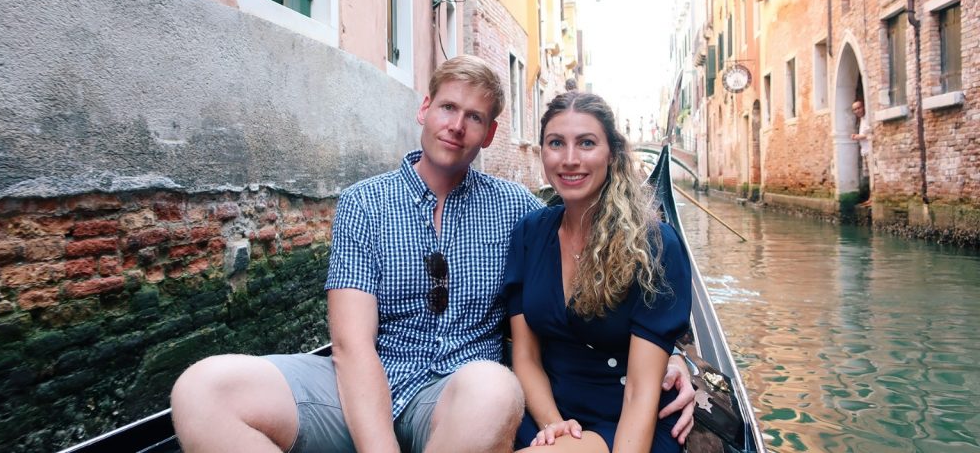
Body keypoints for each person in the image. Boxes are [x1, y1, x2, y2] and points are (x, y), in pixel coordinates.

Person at [170, 56, 694, 453]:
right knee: (201, 390)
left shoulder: (517, 212)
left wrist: (672, 357)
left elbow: (601, 297)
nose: (456, 125)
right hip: (360, 384)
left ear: (490, 134)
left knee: (493, 387)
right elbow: (351, 346)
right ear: (425, 109)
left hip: (460, 401)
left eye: (474, 117)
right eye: (447, 107)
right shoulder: (364, 203)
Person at [503, 91, 692, 453]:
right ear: (542, 151)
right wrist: (554, 427)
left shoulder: (654, 244)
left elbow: (640, 392)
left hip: (627, 420)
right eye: (556, 143)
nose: (570, 159)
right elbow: (524, 356)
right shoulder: (529, 233)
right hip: (548, 414)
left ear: (612, 154)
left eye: (586, 143)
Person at [850, 100, 871, 206]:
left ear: (863, 107)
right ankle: (871, 198)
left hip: (869, 151)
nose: (857, 111)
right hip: (865, 151)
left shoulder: (868, 118)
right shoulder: (862, 120)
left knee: (872, 175)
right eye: (855, 109)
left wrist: (857, 137)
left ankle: (872, 199)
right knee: (868, 176)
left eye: (859, 108)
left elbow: (870, 134)